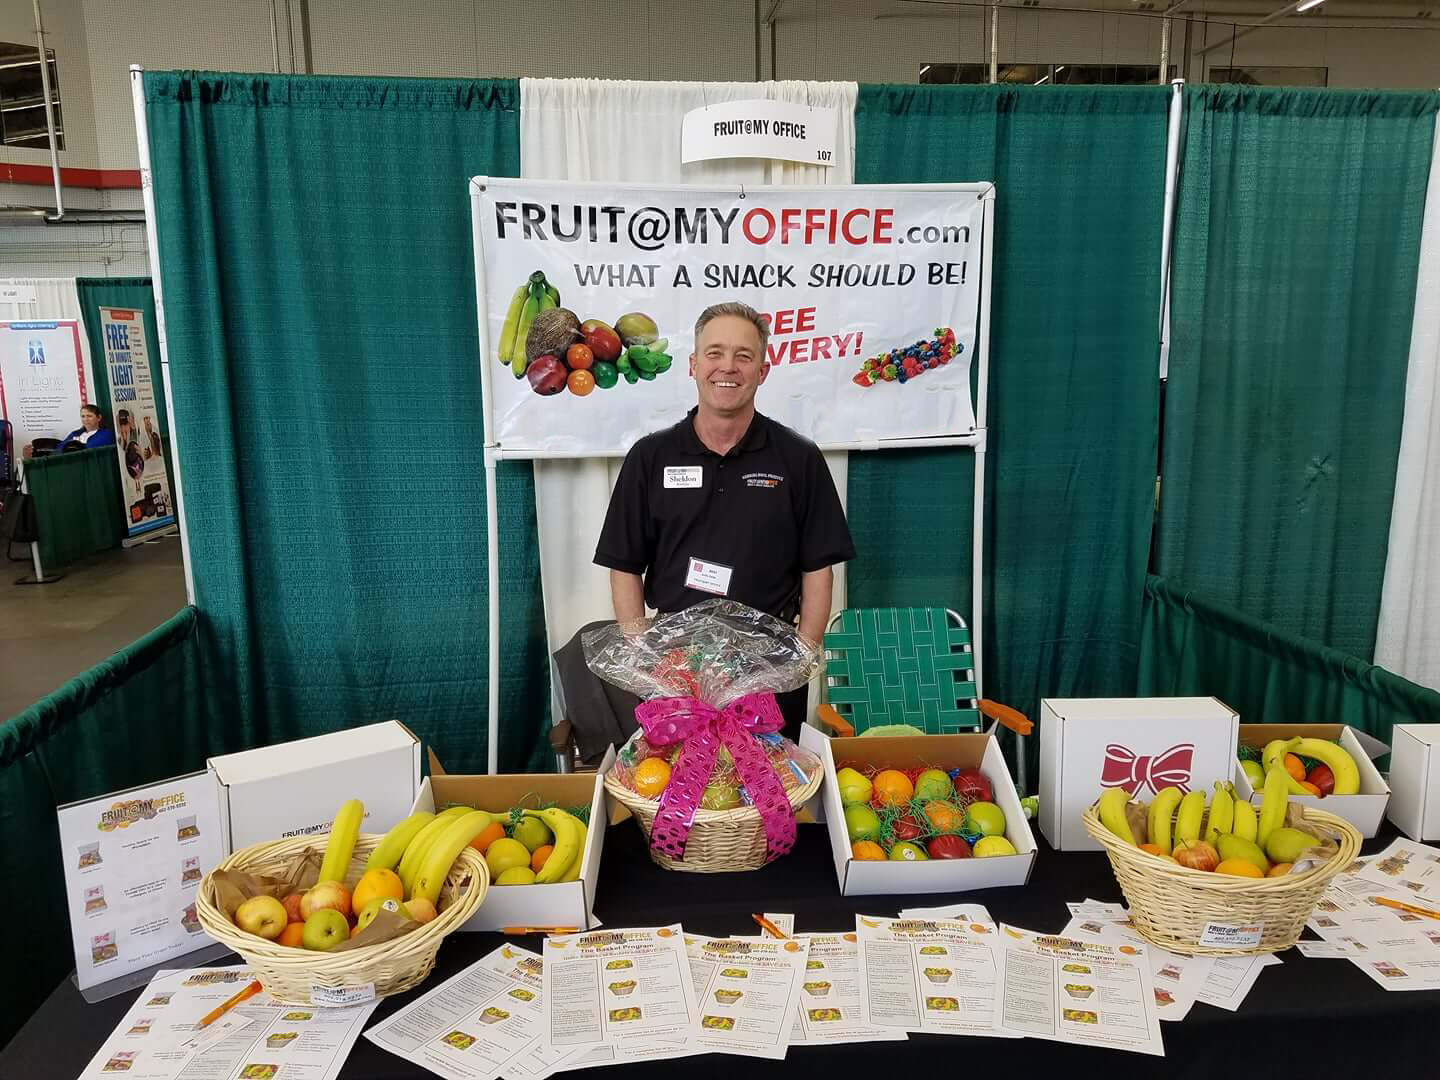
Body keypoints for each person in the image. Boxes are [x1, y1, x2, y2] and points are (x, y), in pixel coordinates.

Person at [594, 301, 856, 741]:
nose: (727, 367)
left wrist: (801, 659)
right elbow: (625, 565)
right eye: (714, 354)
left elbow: (819, 568)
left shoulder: (798, 458)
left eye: (743, 355)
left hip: (769, 670)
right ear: (694, 365)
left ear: (763, 370)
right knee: (682, 794)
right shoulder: (650, 457)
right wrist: (646, 659)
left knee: (766, 795)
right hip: (676, 668)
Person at [21, 403, 115, 458]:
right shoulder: (75, 433)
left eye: (89, 416)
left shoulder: (106, 434)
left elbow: (87, 449)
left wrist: (71, 447)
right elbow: (60, 448)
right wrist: (36, 453)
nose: (85, 419)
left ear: (99, 418)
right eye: (83, 416)